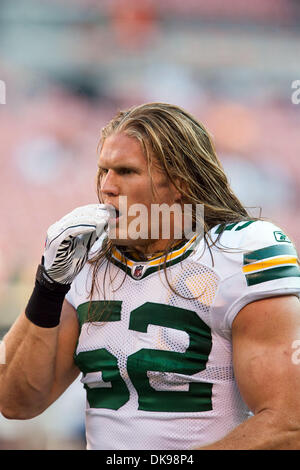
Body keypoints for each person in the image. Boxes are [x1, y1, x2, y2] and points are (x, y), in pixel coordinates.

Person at [1, 102, 300, 450]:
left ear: (179, 182)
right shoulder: (90, 263)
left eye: (126, 171)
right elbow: (16, 402)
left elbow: (287, 423)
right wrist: (49, 286)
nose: (107, 187)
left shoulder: (239, 251)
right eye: (103, 172)